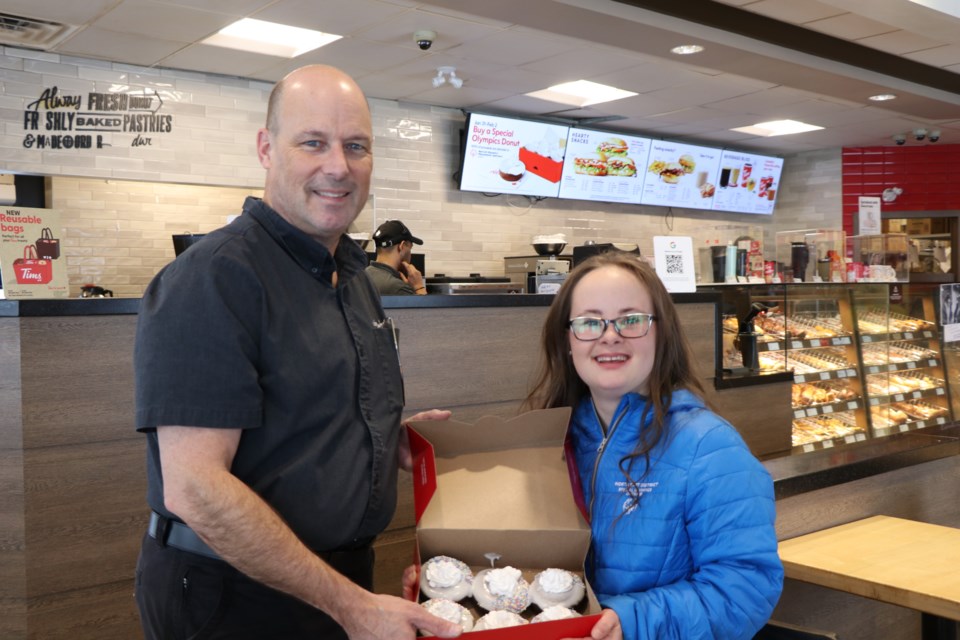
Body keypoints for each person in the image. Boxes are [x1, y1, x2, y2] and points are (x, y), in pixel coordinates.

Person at [132, 65, 461, 640]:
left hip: (335, 585)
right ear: (266, 148)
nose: (338, 166)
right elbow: (196, 487)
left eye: (355, 146)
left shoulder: (351, 276)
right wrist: (353, 607)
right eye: (313, 142)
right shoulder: (212, 279)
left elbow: (308, 411)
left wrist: (383, 441)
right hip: (237, 598)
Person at [524, 251, 783, 640]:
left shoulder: (711, 448)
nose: (609, 335)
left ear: (661, 333)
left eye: (630, 320)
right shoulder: (549, 442)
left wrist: (632, 621)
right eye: (590, 322)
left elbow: (744, 591)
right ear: (567, 339)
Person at [365, 219, 427, 295]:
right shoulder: (398, 288)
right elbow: (425, 306)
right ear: (402, 246)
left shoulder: (361, 277)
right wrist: (419, 287)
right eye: (410, 248)